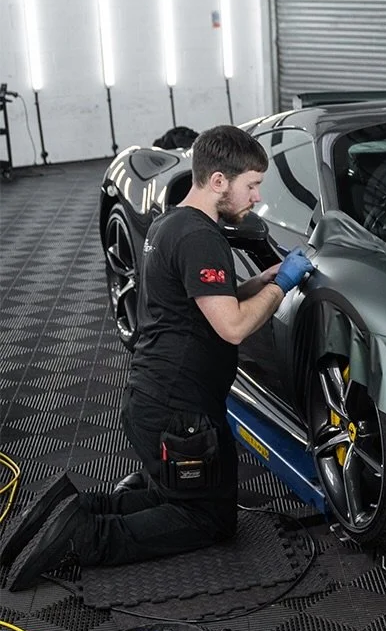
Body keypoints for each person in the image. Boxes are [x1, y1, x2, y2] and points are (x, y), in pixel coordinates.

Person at [1, 125, 315, 590]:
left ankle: (78, 507)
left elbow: (208, 300)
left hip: (158, 397)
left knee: (185, 497)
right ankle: (87, 535)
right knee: (206, 520)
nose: (256, 197)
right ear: (218, 182)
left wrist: (261, 279)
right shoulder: (200, 238)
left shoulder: (174, 223)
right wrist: (282, 285)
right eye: (251, 185)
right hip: (177, 411)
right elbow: (233, 326)